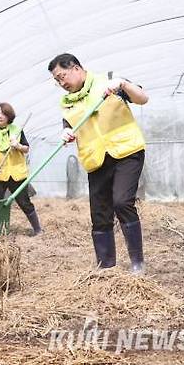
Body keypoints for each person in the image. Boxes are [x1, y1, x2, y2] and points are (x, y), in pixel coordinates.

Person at [48, 53, 148, 273]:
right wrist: (66, 133)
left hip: (126, 152)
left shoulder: (109, 81)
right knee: (100, 215)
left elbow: (142, 98)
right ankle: (106, 267)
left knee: (122, 202)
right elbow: (69, 125)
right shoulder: (67, 103)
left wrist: (123, 84)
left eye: (62, 76)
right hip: (96, 159)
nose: (61, 83)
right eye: (57, 81)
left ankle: (137, 263)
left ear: (75, 68)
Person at [0, 103, 42, 235]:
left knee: (24, 203)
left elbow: (26, 148)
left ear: (9, 116)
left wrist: (17, 145)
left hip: (17, 174)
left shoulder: (17, 130)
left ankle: (38, 229)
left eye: (3, 113)